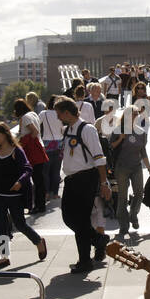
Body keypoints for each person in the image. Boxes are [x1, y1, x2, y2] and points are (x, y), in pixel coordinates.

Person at [55, 97, 111, 273]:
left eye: (59, 114)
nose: (57, 117)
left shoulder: (87, 129)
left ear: (66, 112)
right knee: (69, 218)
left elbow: (99, 157)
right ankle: (98, 240)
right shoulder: (67, 129)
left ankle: (85, 260)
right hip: (71, 179)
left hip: (86, 178)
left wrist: (104, 183)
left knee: (80, 220)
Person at [0, 122, 47, 267]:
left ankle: (38, 241)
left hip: (15, 195)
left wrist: (20, 182)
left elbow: (27, 169)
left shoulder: (16, 151)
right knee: (1, 226)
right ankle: (4, 257)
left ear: (6, 135)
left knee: (20, 224)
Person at [110, 86, 150, 236]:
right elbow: (110, 147)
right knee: (122, 197)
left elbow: (143, 151)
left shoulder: (141, 132)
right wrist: (120, 139)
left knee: (139, 193)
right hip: (121, 167)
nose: (135, 116)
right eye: (133, 114)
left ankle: (133, 214)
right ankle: (123, 225)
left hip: (136, 166)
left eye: (136, 114)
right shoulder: (118, 129)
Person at [12, 98, 48, 213]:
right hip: (39, 148)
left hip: (32, 151)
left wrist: (22, 142)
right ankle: (41, 204)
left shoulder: (25, 118)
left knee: (35, 180)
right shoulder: (33, 114)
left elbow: (34, 131)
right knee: (39, 180)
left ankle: (37, 206)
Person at [39, 95, 65, 200]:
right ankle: (55, 193)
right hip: (59, 143)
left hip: (46, 144)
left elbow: (36, 124)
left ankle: (46, 193)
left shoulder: (43, 113)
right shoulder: (61, 113)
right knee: (56, 170)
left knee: (45, 171)